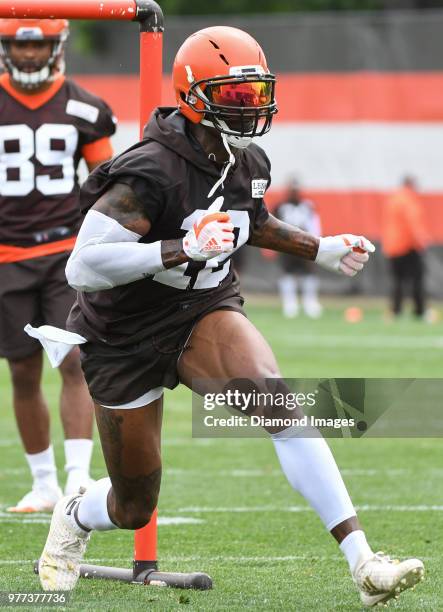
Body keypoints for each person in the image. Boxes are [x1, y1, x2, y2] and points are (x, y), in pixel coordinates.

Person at [36, 27, 423, 607]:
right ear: (195, 97)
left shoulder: (248, 160)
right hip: (121, 336)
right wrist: (180, 249)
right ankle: (76, 513)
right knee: (133, 503)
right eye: (236, 96)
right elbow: (83, 267)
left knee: (281, 405)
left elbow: (255, 221)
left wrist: (319, 248)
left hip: (201, 311)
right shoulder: (149, 171)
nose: (253, 107)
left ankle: (363, 562)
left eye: (256, 93)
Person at [0, 19, 116, 512]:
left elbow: (110, 187)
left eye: (38, 44)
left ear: (57, 45)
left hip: (64, 253)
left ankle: (77, 478)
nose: (28, 55)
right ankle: (43, 482)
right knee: (23, 370)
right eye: (18, 46)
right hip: (6, 255)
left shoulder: (85, 107)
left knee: (73, 360)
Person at [274, 178, 322, 318]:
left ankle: (310, 303)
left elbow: (314, 224)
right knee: (287, 272)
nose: (294, 193)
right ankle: (290, 304)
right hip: (286, 244)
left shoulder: (307, 206)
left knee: (309, 272)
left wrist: (316, 241)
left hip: (305, 243)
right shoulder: (280, 206)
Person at [381, 176, 428, 318]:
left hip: (392, 246)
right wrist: (421, 241)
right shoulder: (409, 199)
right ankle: (420, 310)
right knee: (417, 279)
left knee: (397, 281)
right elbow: (412, 223)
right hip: (407, 245)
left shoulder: (393, 199)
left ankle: (396, 310)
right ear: (411, 184)